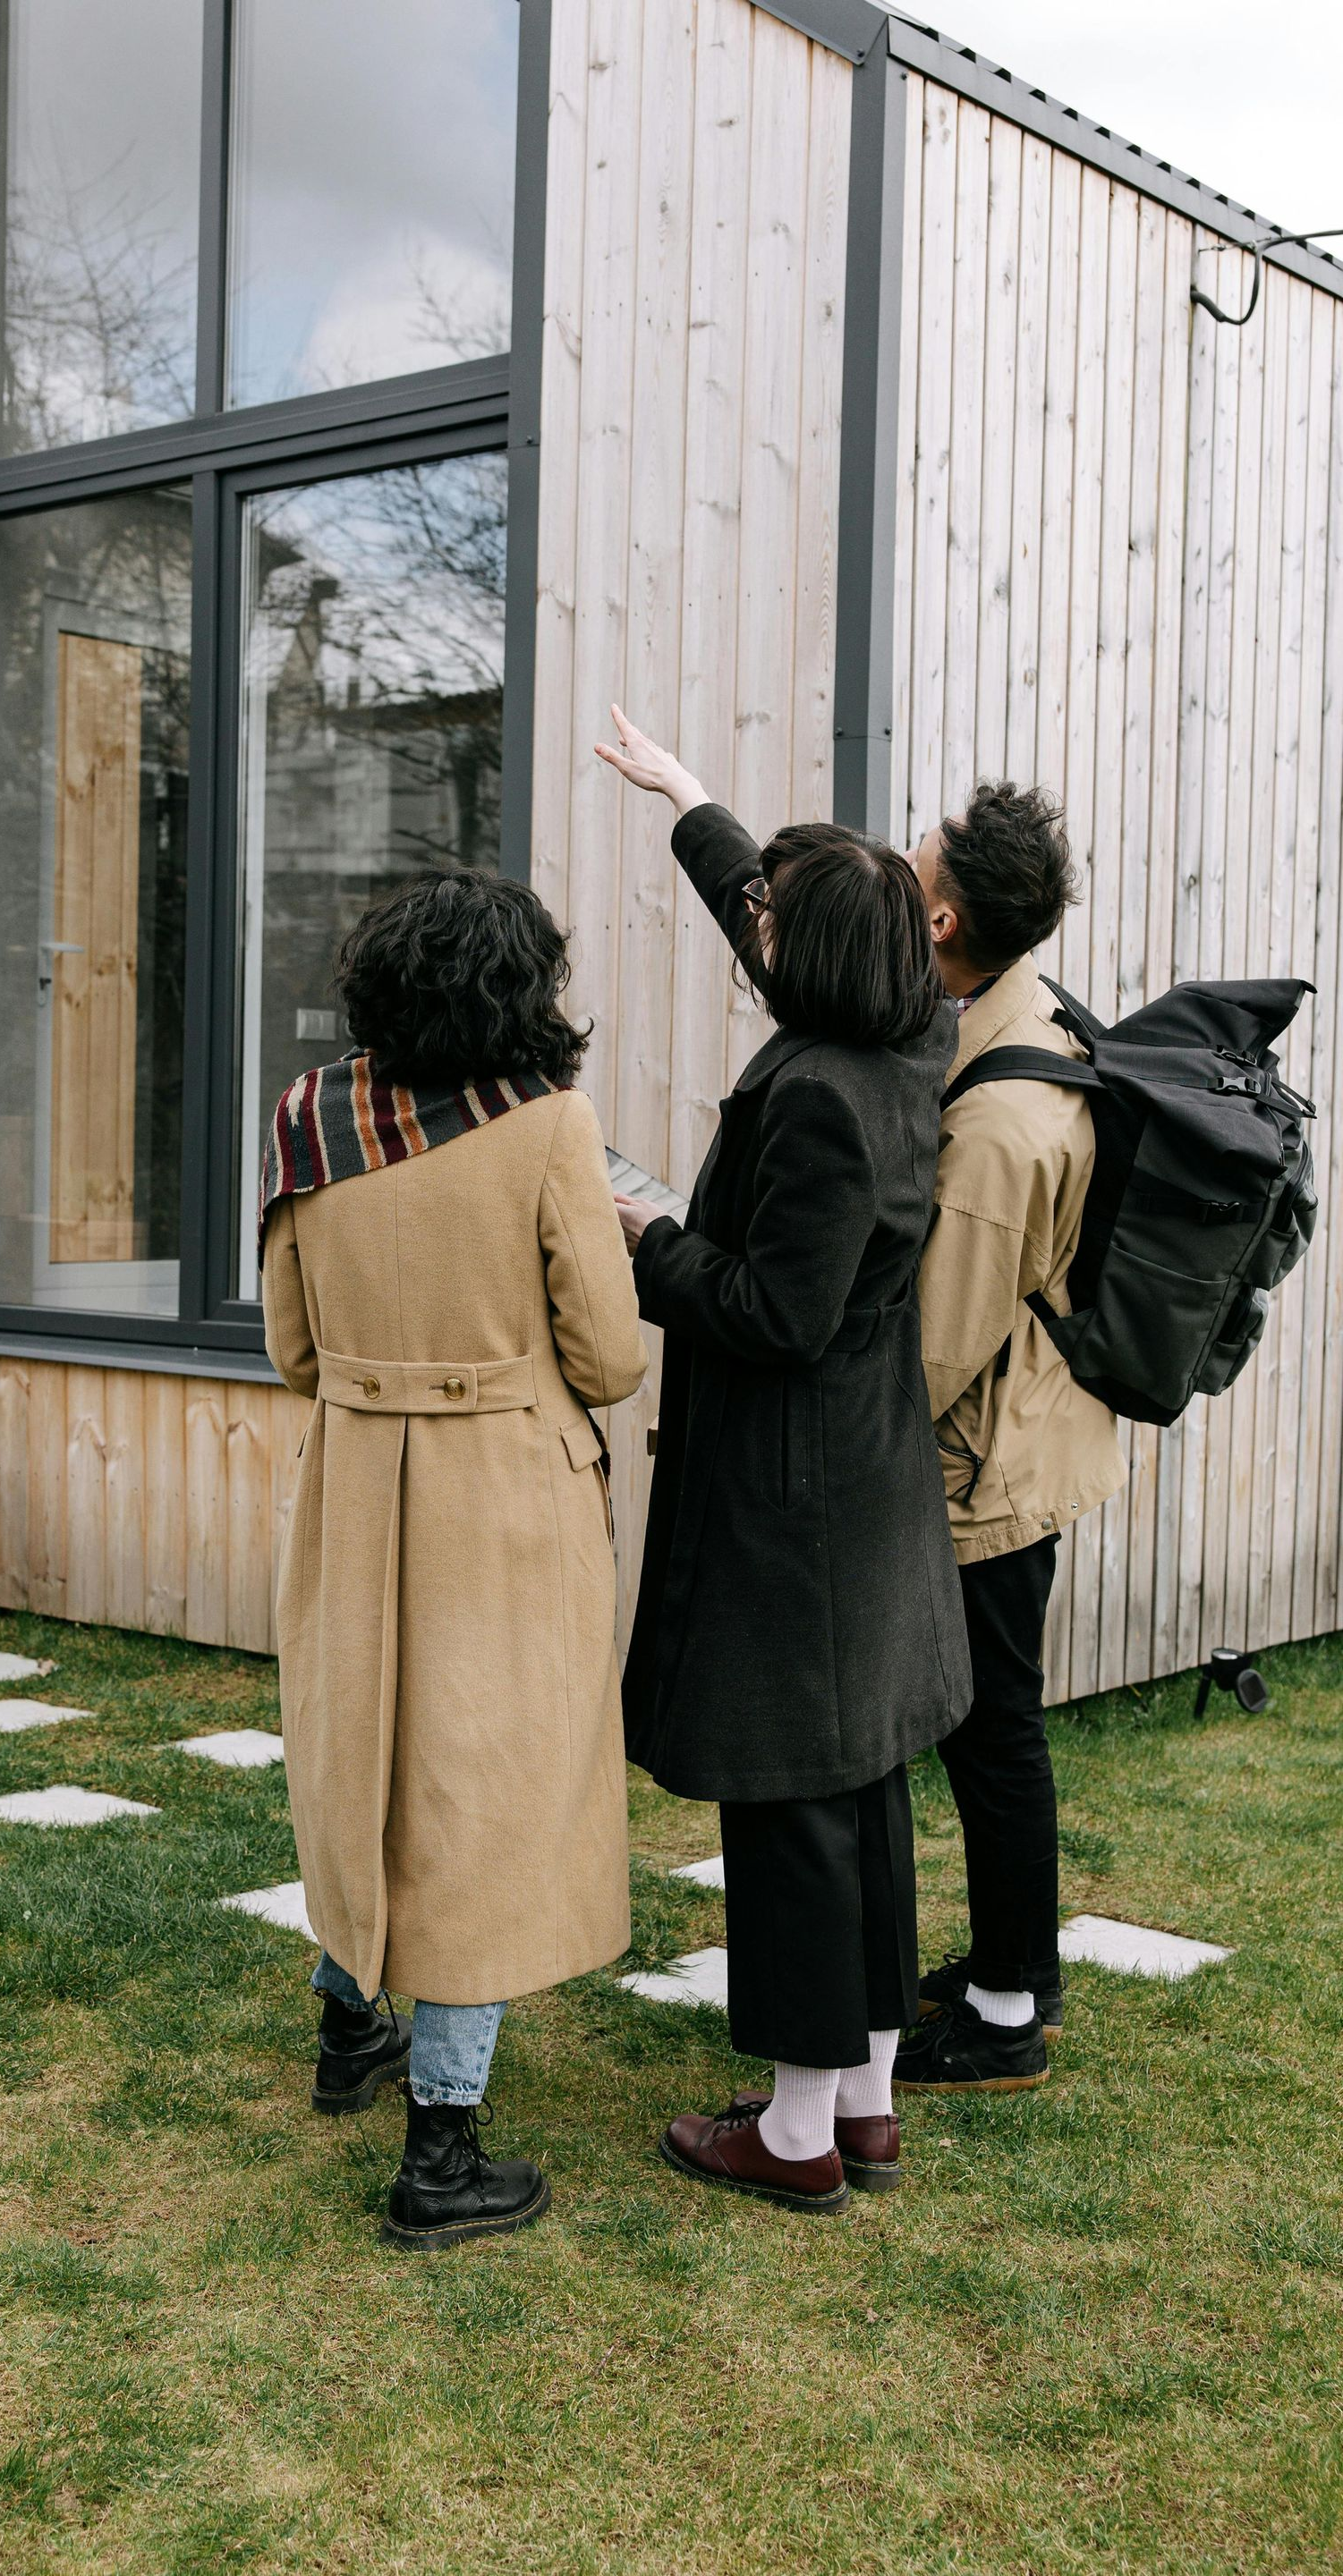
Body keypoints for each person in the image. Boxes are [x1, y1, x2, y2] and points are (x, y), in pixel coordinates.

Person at [596, 707, 971, 2214]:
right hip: (866, 1490)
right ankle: (863, 2105)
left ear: (809, 965)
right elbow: (789, 924)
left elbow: (777, 1314)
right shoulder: (914, 1034)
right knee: (861, 1789)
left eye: (770, 917)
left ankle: (798, 2134)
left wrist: (648, 1240)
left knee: (793, 1813)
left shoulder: (818, 1098)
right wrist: (692, 802)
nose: (755, 926)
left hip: (796, 1506)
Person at [260, 868, 647, 2250]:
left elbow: (292, 1350)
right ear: (517, 995)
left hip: (356, 1487)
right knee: (480, 1797)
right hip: (506, 1505)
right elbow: (610, 1356)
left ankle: (348, 2027)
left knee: (359, 1758)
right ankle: (442, 2152)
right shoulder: (549, 1123)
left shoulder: (310, 1118)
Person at [890, 784, 1127, 2094]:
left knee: (992, 1734)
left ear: (942, 916)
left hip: (993, 1462)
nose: (904, 854)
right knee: (995, 1727)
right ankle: (1014, 1964)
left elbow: (941, 1345)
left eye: (916, 854)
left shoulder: (998, 1126)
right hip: (1030, 1430)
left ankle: (1004, 2013)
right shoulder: (1016, 1007)